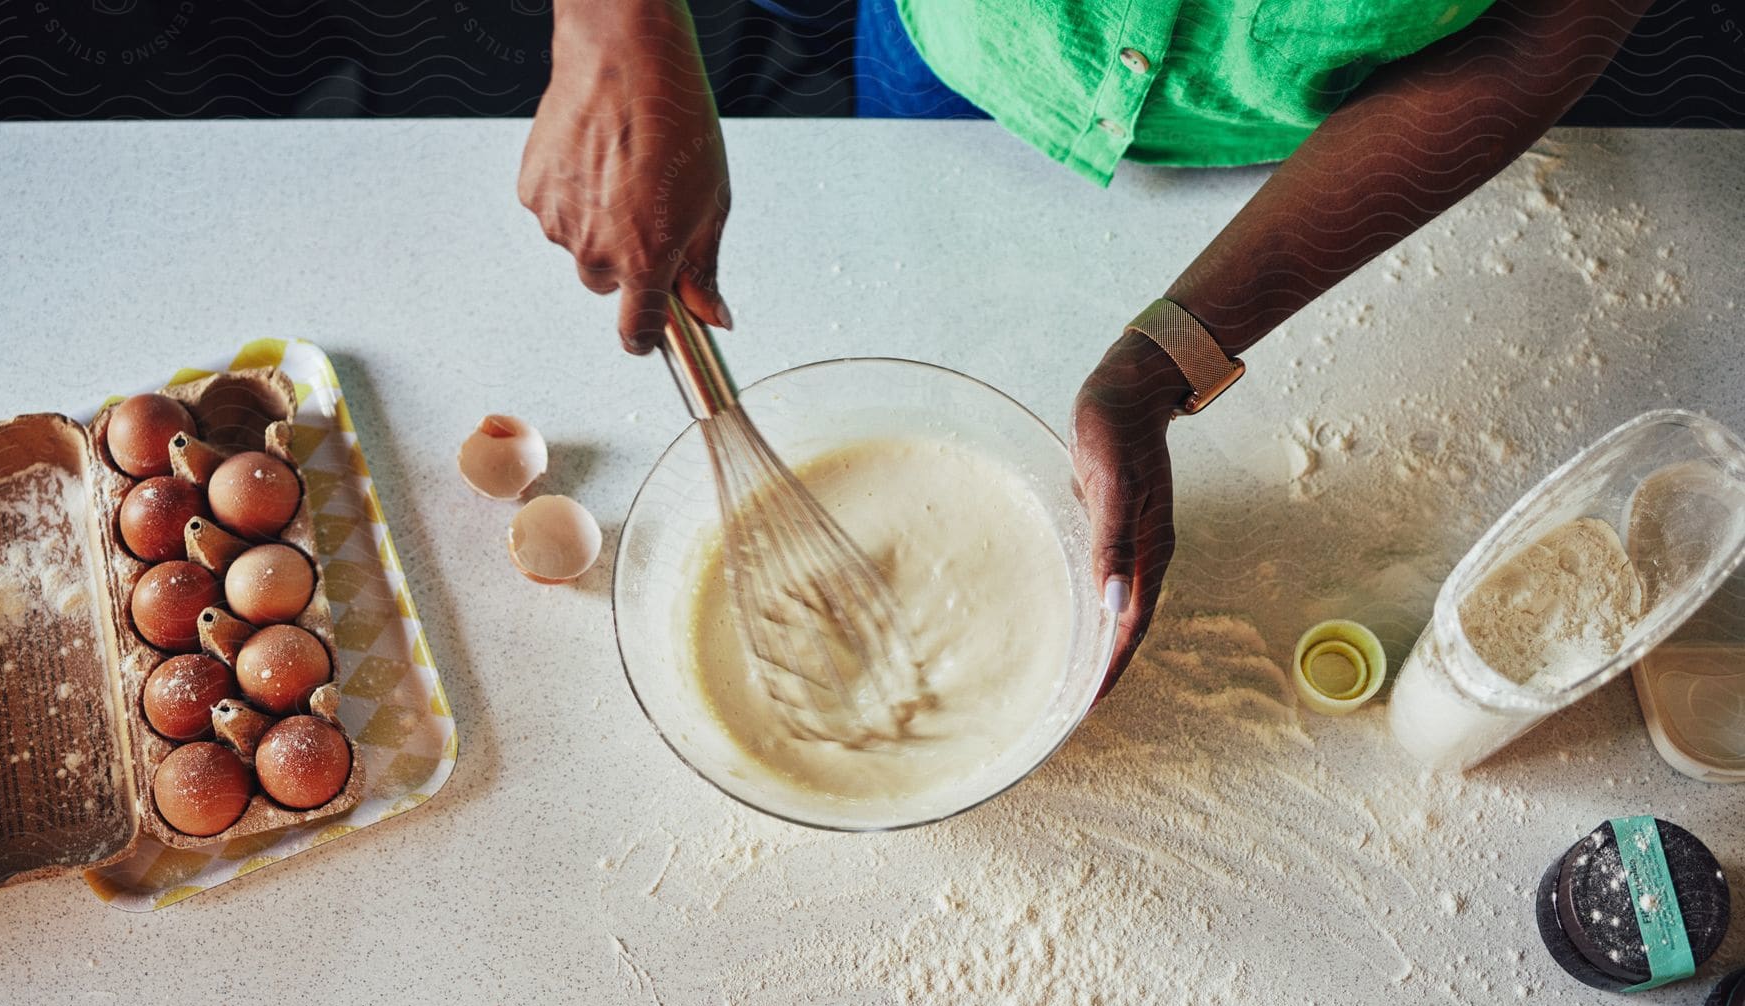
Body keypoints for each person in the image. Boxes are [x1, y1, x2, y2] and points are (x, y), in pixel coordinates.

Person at [517, 0, 1651, 695]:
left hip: (1309, 131)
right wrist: (616, 26)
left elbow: (1540, 31)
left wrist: (1162, 366)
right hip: (980, 50)